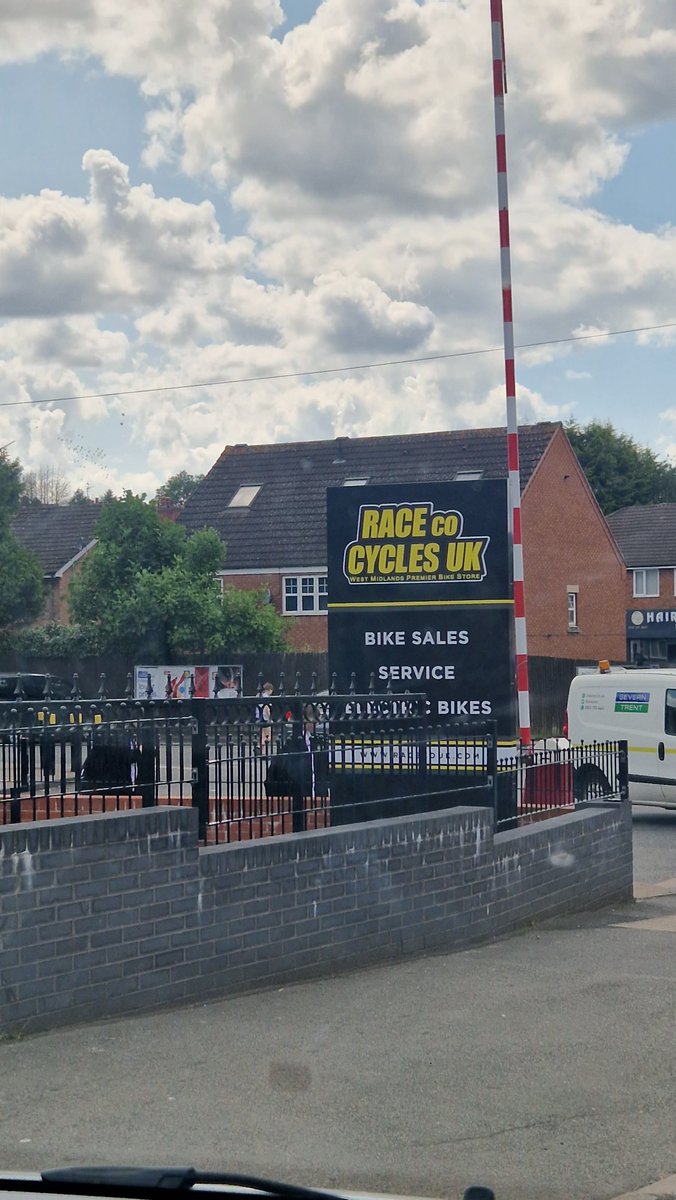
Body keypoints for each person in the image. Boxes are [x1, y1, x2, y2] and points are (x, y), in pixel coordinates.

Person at [256, 682, 274, 754]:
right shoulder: (267, 697)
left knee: (263, 734)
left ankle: (259, 748)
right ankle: (262, 750)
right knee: (268, 736)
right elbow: (267, 708)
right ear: (270, 689)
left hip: (258, 717)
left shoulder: (260, 695)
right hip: (265, 718)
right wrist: (270, 718)